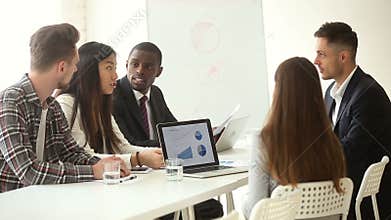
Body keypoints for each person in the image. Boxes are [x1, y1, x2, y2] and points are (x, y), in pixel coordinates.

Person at [0, 23, 129, 193]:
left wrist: (104, 164)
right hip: (11, 205)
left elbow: (71, 153)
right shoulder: (11, 101)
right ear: (61, 67)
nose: (76, 69)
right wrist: (93, 171)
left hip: (42, 200)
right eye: (75, 64)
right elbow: (30, 172)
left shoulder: (52, 106)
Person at [243, 57, 346, 219]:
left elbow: (255, 210)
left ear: (279, 93)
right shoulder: (331, 142)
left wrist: (244, 201)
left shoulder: (264, 140)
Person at [314, 22, 391, 219]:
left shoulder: (368, 94)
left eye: (322, 54)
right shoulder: (330, 94)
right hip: (343, 190)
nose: (315, 60)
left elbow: (350, 151)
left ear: (343, 57)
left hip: (363, 202)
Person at [56, 42, 164, 169]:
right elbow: (82, 156)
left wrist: (158, 152)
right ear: (90, 70)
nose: (115, 76)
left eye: (115, 68)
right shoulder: (66, 104)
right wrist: (138, 159)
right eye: (109, 68)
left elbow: (122, 147)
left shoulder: (101, 106)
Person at [112, 42, 176, 148]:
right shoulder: (114, 94)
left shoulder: (156, 93)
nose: (140, 71)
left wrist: (202, 132)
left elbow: (173, 128)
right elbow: (128, 143)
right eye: (135, 64)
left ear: (159, 72)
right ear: (127, 65)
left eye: (148, 67)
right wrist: (167, 145)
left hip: (157, 161)